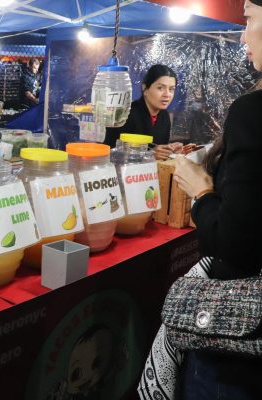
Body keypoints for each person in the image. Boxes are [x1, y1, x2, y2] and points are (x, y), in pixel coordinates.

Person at [170, 1, 262, 397]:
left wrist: (201, 191)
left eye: (249, 21)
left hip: (242, 338)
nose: (243, 36)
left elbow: (234, 242)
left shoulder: (252, 112)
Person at [104, 65, 183, 160]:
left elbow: (158, 149)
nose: (167, 94)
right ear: (145, 89)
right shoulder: (126, 114)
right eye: (160, 88)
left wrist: (171, 150)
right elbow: (110, 153)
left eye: (171, 89)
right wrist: (148, 155)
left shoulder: (164, 116)